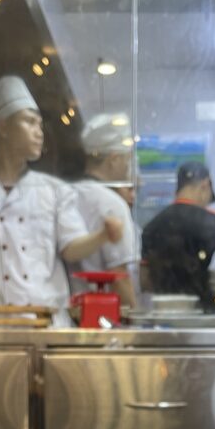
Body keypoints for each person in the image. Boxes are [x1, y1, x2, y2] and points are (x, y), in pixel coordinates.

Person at [0, 76, 123, 326]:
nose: (39, 132)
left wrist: (102, 236)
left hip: (47, 325)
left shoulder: (54, 190)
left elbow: (71, 247)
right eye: (29, 122)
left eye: (40, 124)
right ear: (3, 127)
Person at [140, 162, 215, 311]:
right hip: (202, 310)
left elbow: (144, 280)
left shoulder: (152, 225)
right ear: (205, 185)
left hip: (164, 313)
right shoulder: (213, 220)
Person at [72, 113, 138, 307]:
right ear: (114, 159)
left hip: (68, 312)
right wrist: (136, 323)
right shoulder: (113, 204)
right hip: (102, 315)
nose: (128, 166)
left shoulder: (66, 194)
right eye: (127, 159)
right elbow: (118, 275)